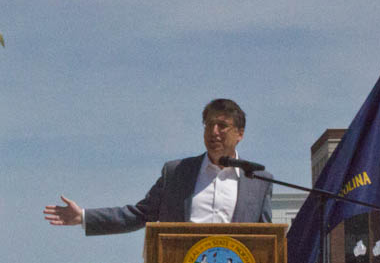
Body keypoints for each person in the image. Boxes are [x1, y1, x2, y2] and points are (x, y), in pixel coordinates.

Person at [43, 98, 272, 233]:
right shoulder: (177, 173)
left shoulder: (258, 181)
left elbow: (268, 240)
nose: (214, 132)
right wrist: (83, 216)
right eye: (209, 125)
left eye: (222, 126)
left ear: (240, 133)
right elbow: (141, 214)